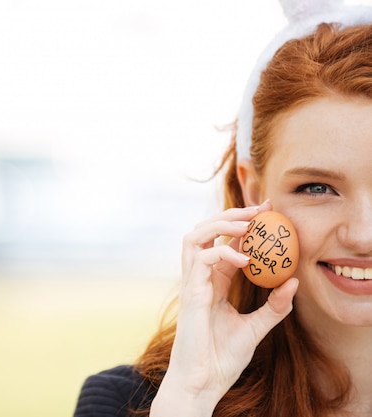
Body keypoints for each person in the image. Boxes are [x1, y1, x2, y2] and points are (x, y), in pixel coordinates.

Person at [73, 1, 372, 416]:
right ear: (253, 192)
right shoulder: (131, 402)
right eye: (317, 187)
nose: (362, 234)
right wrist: (193, 395)